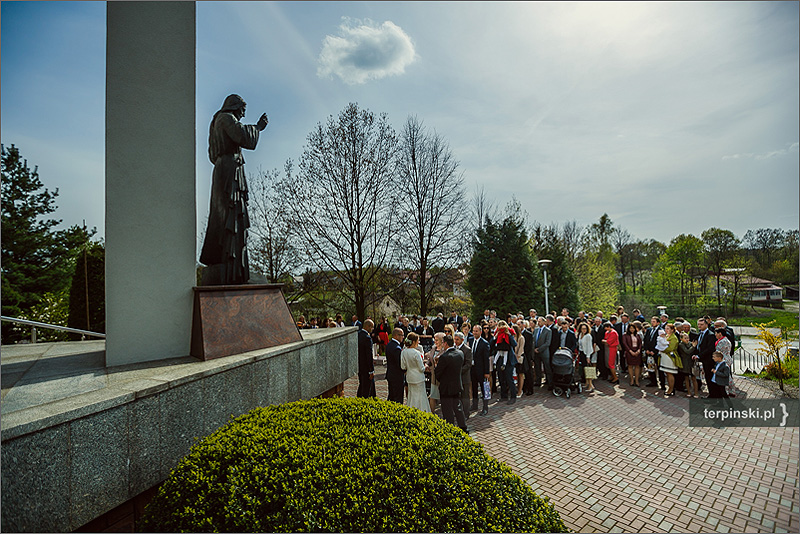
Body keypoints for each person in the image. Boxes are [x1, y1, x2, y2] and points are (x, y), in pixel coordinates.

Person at [200, 94, 268, 285]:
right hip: (229, 170)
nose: (242, 115)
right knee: (230, 213)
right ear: (235, 107)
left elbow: (211, 153)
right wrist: (258, 128)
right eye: (242, 111)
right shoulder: (225, 118)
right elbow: (242, 136)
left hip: (226, 168)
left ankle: (234, 263)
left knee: (231, 214)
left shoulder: (217, 121)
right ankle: (232, 265)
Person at [434, 334, 469, 432]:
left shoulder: (444, 357)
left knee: (447, 411)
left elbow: (438, 373)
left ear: (445, 344)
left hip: (446, 388)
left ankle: (450, 430)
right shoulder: (460, 353)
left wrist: (436, 364)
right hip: (457, 385)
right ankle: (463, 427)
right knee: (458, 408)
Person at [400, 332, 430, 412]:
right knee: (421, 397)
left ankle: (411, 412)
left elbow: (403, 366)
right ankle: (422, 412)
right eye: (418, 340)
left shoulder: (404, 352)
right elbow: (421, 369)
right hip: (419, 378)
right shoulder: (416, 353)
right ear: (413, 342)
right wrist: (426, 366)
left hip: (409, 377)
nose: (419, 342)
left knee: (411, 397)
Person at [494, 321, 518, 404]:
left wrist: (509, 335)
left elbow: (515, 344)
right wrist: (495, 336)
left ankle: (513, 396)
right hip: (500, 359)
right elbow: (491, 345)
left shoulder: (509, 334)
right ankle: (503, 396)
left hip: (509, 360)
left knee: (509, 378)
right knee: (501, 378)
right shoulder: (497, 334)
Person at [471, 325, 491, 415]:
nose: (474, 333)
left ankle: (485, 407)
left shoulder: (484, 343)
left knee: (484, 389)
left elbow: (486, 359)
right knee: (474, 388)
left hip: (481, 370)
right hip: (472, 369)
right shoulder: (471, 340)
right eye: (473, 331)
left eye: (476, 331)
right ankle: (474, 405)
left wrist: (486, 372)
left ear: (480, 332)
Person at [454, 331, 473, 419]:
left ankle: (466, 413)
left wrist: (459, 371)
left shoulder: (467, 349)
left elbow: (468, 364)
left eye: (457, 339)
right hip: (456, 378)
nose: (455, 341)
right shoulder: (454, 348)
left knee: (465, 396)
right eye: (455, 339)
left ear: (462, 340)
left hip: (464, 377)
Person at [659, 324, 681, 396]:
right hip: (665, 357)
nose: (666, 330)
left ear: (672, 329)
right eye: (665, 328)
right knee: (667, 373)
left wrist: (662, 349)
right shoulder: (667, 336)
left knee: (670, 373)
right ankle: (670, 388)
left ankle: (671, 389)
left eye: (668, 328)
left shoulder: (674, 338)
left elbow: (670, 348)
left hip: (670, 357)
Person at [426, 332, 445, 412]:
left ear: (442, 341)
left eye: (437, 340)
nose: (435, 342)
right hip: (434, 376)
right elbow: (430, 359)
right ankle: (431, 414)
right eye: (434, 340)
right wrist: (427, 365)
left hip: (443, 377)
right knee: (432, 396)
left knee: (444, 398)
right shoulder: (433, 348)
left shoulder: (445, 349)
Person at [385, 328, 405, 403]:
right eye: (402, 335)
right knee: (397, 398)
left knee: (391, 396)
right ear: (396, 336)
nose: (403, 337)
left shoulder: (389, 345)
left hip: (390, 374)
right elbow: (400, 364)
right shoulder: (396, 348)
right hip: (397, 376)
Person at [533, 316, 553, 389]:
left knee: (547, 367)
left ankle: (550, 382)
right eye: (538, 321)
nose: (538, 323)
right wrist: (534, 349)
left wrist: (539, 349)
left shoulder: (548, 331)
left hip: (544, 352)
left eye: (540, 321)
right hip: (536, 352)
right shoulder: (536, 330)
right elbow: (533, 340)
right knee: (537, 367)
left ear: (544, 322)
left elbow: (547, 343)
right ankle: (538, 381)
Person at [357, 319, 376, 397]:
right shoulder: (367, 338)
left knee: (361, 385)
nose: (372, 329)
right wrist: (371, 370)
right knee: (367, 389)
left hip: (360, 366)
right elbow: (369, 355)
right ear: (368, 327)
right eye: (372, 327)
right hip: (366, 367)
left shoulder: (358, 334)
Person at [621, 322, 643, 387]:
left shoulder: (637, 335)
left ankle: (636, 380)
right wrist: (630, 351)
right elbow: (625, 344)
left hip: (637, 352)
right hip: (629, 352)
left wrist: (639, 350)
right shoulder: (625, 335)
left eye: (633, 328)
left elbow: (640, 343)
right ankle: (631, 380)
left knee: (637, 366)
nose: (632, 330)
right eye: (630, 328)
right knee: (630, 366)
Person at [677, 332, 699, 397]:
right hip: (685, 363)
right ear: (681, 339)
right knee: (686, 378)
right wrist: (693, 346)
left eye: (688, 338)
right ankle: (689, 392)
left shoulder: (690, 343)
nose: (687, 339)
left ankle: (696, 393)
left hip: (691, 363)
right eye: (685, 338)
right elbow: (687, 351)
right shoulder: (681, 345)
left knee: (694, 378)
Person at [577, 322, 596, 392]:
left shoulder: (588, 336)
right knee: (585, 369)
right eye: (582, 329)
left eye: (585, 329)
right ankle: (587, 383)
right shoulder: (580, 335)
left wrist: (588, 356)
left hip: (587, 353)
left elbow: (589, 347)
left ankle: (591, 385)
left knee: (588, 369)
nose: (584, 330)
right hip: (582, 353)